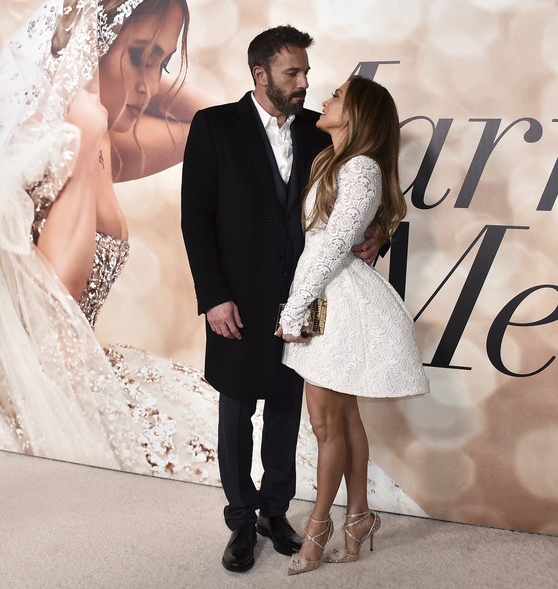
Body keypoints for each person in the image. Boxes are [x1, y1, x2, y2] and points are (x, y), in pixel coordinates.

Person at [0, 0, 225, 482]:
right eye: (139, 56)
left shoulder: (107, 136)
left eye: (161, 63)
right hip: (35, 387)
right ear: (93, 44)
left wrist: (127, 65)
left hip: (77, 377)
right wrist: (85, 135)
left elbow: (218, 125)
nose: (148, 84)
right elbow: (54, 305)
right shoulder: (56, 135)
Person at [179, 26, 381, 573]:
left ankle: (275, 511)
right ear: (260, 73)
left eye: (307, 73)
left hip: (306, 297)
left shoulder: (321, 132)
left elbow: (358, 197)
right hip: (237, 300)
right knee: (238, 411)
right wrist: (214, 297)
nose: (304, 83)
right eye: (293, 73)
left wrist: (376, 234)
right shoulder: (214, 125)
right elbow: (195, 219)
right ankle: (241, 521)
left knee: (291, 412)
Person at [276, 76, 430, 575]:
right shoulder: (335, 160)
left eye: (337, 95)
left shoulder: (359, 167)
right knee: (343, 420)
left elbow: (331, 243)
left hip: (337, 303)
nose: (324, 98)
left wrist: (293, 307)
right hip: (330, 296)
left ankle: (317, 533)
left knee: (326, 424)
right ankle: (358, 514)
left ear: (358, 113)